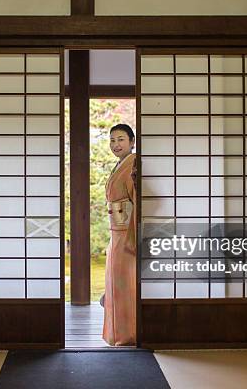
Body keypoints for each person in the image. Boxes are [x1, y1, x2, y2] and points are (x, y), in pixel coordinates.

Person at [102, 123, 137, 346]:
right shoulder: (120, 165)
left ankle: (129, 334)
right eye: (112, 140)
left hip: (127, 233)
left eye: (121, 139)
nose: (116, 144)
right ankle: (117, 334)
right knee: (116, 284)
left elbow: (138, 200)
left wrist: (134, 237)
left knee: (126, 285)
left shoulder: (133, 165)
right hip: (117, 233)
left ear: (132, 141)